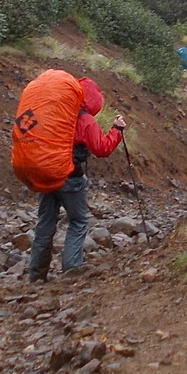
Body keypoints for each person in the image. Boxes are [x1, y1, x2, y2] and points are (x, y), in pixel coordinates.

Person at [27, 77, 124, 282]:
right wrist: (117, 130)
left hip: (46, 173)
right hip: (70, 177)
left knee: (45, 223)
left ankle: (36, 275)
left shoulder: (53, 113)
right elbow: (102, 148)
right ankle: (71, 272)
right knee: (78, 221)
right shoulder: (84, 120)